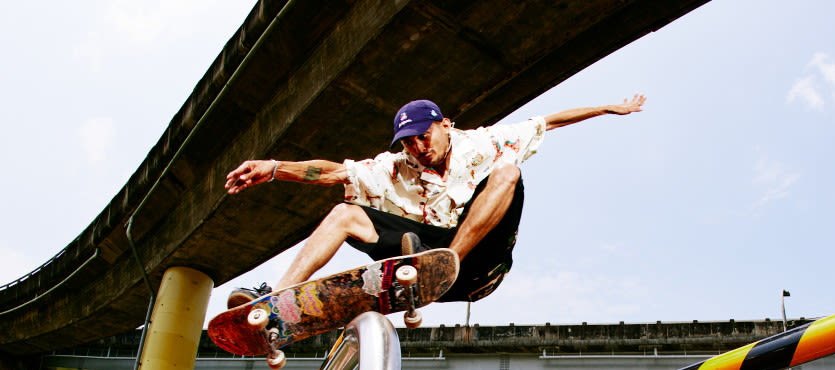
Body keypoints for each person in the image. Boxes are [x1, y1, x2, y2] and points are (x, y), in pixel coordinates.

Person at [224, 95, 646, 308]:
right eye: (409, 143)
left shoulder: (483, 142)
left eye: (425, 136)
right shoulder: (396, 166)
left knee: (508, 172)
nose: (419, 148)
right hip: (424, 257)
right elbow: (335, 172)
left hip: (481, 263)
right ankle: (275, 299)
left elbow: (549, 120)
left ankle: (443, 261)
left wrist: (608, 109)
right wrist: (276, 167)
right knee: (344, 213)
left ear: (445, 125)